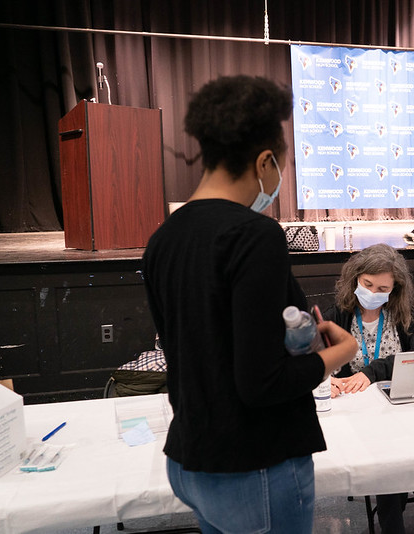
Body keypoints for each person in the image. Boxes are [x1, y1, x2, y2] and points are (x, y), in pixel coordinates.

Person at [142, 75, 357, 534]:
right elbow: (261, 383)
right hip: (254, 465)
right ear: (264, 161)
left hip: (191, 459)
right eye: (280, 164)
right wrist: (338, 355)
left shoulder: (164, 239)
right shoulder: (253, 235)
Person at [324, 243, 414, 534]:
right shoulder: (337, 316)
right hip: (359, 417)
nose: (373, 293)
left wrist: (373, 371)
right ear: (355, 279)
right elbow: (313, 359)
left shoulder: (408, 315)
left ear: (395, 289)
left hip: (404, 412)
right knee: (385, 475)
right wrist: (324, 378)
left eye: (382, 288)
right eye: (367, 284)